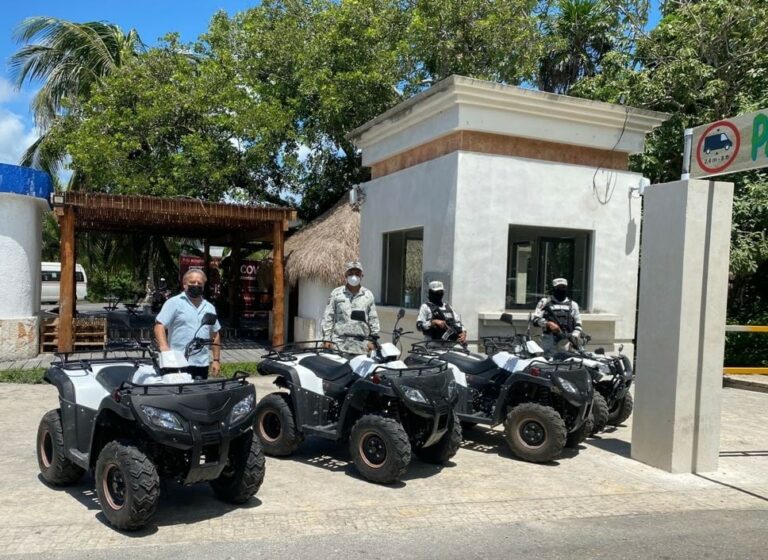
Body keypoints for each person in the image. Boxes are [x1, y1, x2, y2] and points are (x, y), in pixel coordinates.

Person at [154, 269, 221, 379]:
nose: (196, 285)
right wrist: (164, 347)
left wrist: (216, 360)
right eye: (192, 282)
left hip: (201, 363)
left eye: (199, 283)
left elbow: (215, 334)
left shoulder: (209, 307)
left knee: (199, 395)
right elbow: (159, 326)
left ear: (204, 286)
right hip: (177, 362)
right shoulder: (174, 303)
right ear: (184, 284)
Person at [322, 261, 380, 354]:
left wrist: (373, 340)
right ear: (345, 275)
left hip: (361, 345)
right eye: (351, 273)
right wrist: (326, 338)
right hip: (339, 345)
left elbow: (373, 319)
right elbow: (328, 317)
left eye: (357, 273)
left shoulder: (368, 295)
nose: (354, 276)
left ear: (362, 276)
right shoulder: (336, 294)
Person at [532, 278, 583, 353]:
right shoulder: (545, 302)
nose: (561, 290)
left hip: (565, 342)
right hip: (548, 341)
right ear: (553, 288)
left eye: (563, 287)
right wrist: (548, 324)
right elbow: (535, 321)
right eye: (558, 287)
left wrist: (574, 336)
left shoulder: (573, 305)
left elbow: (578, 324)